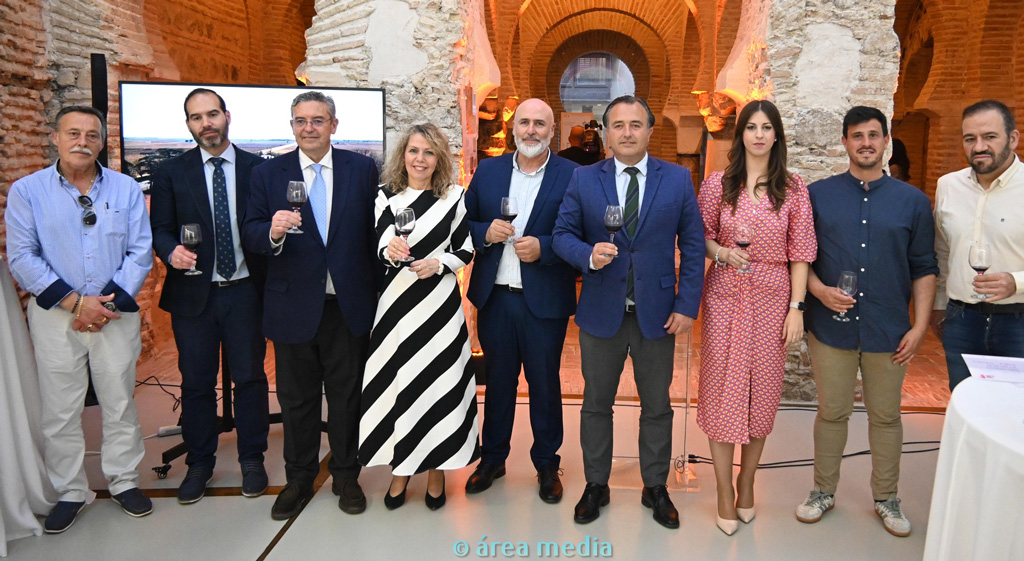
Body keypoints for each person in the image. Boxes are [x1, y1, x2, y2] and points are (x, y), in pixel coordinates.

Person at [552, 95, 705, 529]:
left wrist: (687, 304)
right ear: (605, 132)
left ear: (650, 130)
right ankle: (595, 484)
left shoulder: (677, 179)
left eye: (636, 124)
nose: (627, 132)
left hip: (659, 314)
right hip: (601, 311)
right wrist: (588, 255)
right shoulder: (584, 178)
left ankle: (655, 486)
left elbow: (694, 245)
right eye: (617, 125)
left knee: (657, 405)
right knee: (596, 404)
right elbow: (562, 234)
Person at [6, 105, 154, 533]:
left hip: (113, 314)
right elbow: (22, 256)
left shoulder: (126, 189)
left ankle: (124, 481)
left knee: (119, 401)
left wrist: (103, 306)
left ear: (102, 142)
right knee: (60, 409)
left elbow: (140, 251)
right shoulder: (27, 191)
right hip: (56, 316)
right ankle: (70, 490)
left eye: (92, 135)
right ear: (55, 137)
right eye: (73, 133)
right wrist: (75, 303)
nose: (82, 142)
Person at [796, 106, 937, 537]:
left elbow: (925, 268)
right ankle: (822, 491)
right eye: (857, 136)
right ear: (845, 142)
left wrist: (920, 327)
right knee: (832, 413)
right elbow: (799, 257)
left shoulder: (913, 202)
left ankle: (887, 498)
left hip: (889, 329)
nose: (866, 143)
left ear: (886, 141)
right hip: (830, 327)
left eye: (874, 135)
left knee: (887, 417)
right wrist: (818, 292)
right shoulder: (817, 196)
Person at [242, 91, 380, 520]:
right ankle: (298, 479)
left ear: (334, 125)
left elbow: (374, 231)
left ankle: (346, 476)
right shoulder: (268, 174)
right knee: (297, 401)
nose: (309, 128)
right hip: (292, 307)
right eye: (300, 121)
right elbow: (250, 232)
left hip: (347, 304)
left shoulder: (361, 169)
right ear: (292, 126)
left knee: (346, 398)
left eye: (318, 120)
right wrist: (273, 231)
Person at [696, 99, 816, 535]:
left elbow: (801, 253)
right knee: (720, 389)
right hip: (725, 294)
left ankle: (747, 480)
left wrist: (796, 308)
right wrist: (721, 253)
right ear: (741, 134)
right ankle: (723, 489)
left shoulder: (794, 188)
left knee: (761, 392)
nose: (759, 135)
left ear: (776, 135)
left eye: (767, 127)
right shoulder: (718, 184)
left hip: (771, 296)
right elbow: (700, 236)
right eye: (751, 127)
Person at [149, 87, 270, 504]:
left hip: (245, 292)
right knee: (197, 383)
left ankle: (252, 459)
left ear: (226, 116)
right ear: (189, 125)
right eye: (197, 117)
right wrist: (170, 251)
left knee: (250, 379)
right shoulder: (171, 172)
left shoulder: (258, 169)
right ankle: (199, 463)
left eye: (212, 114)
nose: (207, 124)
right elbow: (160, 229)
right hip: (193, 295)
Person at [357, 123, 478, 510]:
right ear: (403, 155)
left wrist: (439, 263)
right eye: (413, 151)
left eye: (428, 152)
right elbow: (379, 245)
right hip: (397, 308)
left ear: (439, 158)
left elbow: (466, 249)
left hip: (439, 308)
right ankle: (401, 470)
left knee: (438, 387)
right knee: (401, 387)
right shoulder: (385, 195)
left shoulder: (455, 196)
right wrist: (391, 250)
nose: (420, 159)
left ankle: (437, 470)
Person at [463, 99, 579, 503]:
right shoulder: (489, 171)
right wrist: (484, 232)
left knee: (545, 384)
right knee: (497, 382)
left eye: (540, 124)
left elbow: (581, 233)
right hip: (495, 297)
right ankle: (493, 459)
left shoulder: (572, 175)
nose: (531, 130)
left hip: (544, 299)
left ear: (552, 131)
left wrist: (545, 248)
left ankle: (546, 463)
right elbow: (463, 222)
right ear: (514, 129)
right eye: (525, 122)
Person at [931, 100, 1024, 391]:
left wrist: (1017, 282)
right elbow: (942, 252)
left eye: (989, 136)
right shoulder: (948, 185)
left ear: (1013, 138)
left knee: (1014, 410)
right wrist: (939, 306)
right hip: (961, 321)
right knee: (965, 404)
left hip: (1018, 323)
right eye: (970, 138)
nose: (979, 146)